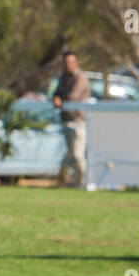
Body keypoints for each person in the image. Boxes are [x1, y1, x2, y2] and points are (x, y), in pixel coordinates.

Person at [52, 50, 91, 186]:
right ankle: (61, 182)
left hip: (78, 121)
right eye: (65, 62)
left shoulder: (81, 77)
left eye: (70, 62)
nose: (67, 65)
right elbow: (56, 93)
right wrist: (56, 97)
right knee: (70, 153)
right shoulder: (63, 77)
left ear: (76, 63)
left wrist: (59, 99)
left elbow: (72, 97)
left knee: (76, 155)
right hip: (65, 119)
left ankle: (83, 183)